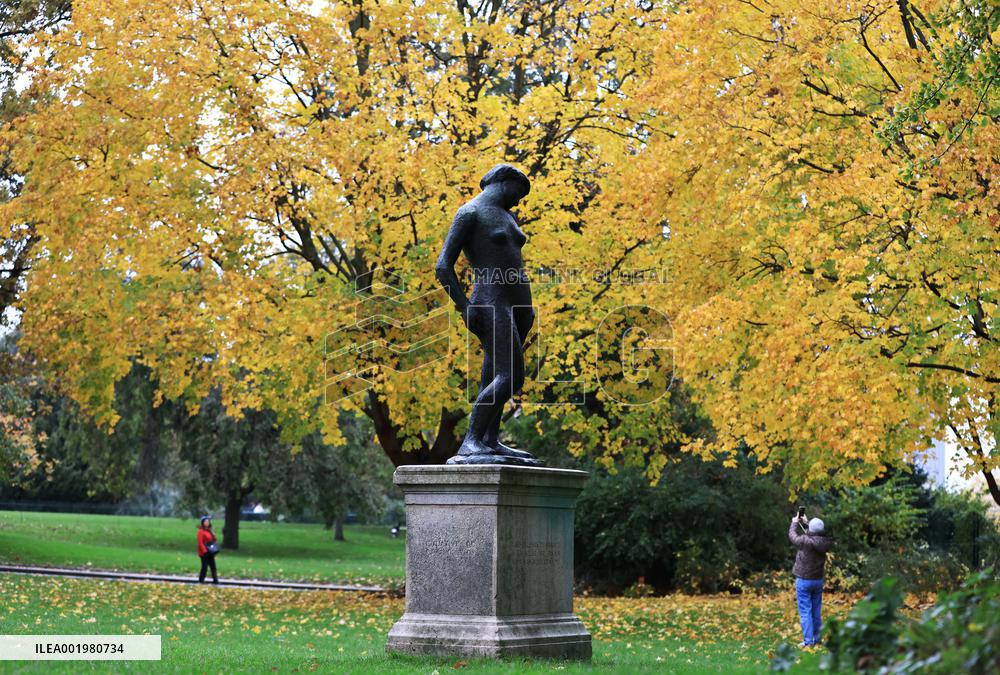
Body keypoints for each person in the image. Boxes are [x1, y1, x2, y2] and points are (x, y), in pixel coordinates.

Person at [434, 163, 541, 465]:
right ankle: (471, 442)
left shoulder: (507, 216)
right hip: (490, 302)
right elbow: (443, 266)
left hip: (517, 306)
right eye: (518, 193)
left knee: (495, 375)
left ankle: (489, 441)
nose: (518, 201)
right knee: (511, 376)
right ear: (504, 181)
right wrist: (464, 307)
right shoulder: (470, 213)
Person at [789, 512, 832, 648]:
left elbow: (793, 536)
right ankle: (817, 640)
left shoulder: (806, 541)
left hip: (804, 580)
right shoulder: (825, 541)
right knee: (815, 611)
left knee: (805, 611)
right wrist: (806, 523)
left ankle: (808, 642)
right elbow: (814, 534)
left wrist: (795, 522)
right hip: (817, 580)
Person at [197, 516, 219, 584]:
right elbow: (200, 542)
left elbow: (214, 540)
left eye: (208, 522)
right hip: (204, 552)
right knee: (204, 567)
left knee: (213, 566)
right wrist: (204, 551)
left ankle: (215, 580)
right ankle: (201, 580)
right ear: (202, 523)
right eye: (205, 522)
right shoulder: (200, 531)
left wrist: (213, 534)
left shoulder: (209, 531)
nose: (207, 523)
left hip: (210, 551)